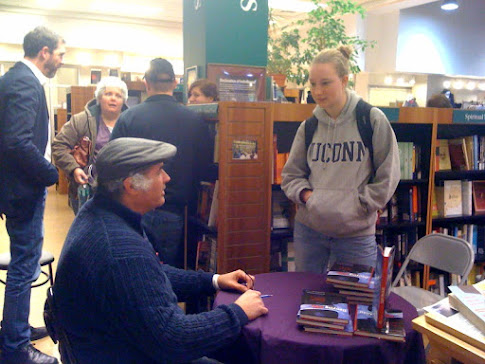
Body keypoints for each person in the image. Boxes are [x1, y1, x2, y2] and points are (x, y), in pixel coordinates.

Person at [52, 137, 268, 363]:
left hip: (111, 346)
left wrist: (212, 280)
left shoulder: (102, 212)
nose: (167, 178)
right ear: (131, 185)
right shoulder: (121, 248)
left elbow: (150, 276)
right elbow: (173, 338)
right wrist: (238, 313)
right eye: (158, 172)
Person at [281, 46, 400, 274]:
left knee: (356, 304)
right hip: (310, 231)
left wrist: (360, 205)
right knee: (307, 300)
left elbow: (389, 175)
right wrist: (308, 197)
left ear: (344, 80)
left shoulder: (371, 120)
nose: (318, 91)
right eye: (313, 83)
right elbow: (290, 176)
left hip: (354, 235)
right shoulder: (309, 126)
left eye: (325, 83)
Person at [0, 26, 65, 364]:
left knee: (23, 267)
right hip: (24, 191)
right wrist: (51, 174)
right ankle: (14, 348)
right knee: (25, 268)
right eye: (60, 54)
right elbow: (16, 142)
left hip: (16, 189)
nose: (61, 60)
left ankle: (16, 329)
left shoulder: (14, 79)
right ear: (43, 52)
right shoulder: (25, 82)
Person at [111, 58, 212, 269]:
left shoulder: (128, 118)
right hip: (179, 211)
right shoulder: (195, 120)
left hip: (133, 209)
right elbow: (205, 167)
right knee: (169, 275)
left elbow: (114, 166)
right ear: (175, 83)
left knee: (135, 270)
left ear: (146, 83)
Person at [52, 76, 129, 214]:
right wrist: (74, 169)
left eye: (118, 95)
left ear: (123, 101)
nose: (113, 98)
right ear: (99, 98)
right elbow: (59, 146)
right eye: (108, 94)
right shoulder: (81, 120)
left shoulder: (130, 122)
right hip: (87, 190)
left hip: (121, 192)